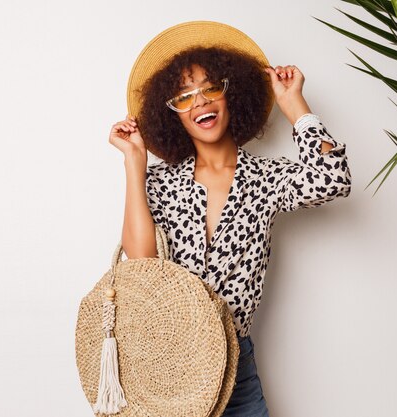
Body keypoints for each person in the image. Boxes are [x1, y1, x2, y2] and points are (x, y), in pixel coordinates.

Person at [108, 22, 351, 417]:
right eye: (184, 97)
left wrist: (295, 107)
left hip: (236, 366)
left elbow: (332, 180)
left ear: (229, 93)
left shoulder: (267, 178)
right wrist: (134, 164)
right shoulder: (161, 182)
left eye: (210, 88)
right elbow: (140, 265)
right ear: (173, 115)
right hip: (165, 365)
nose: (200, 101)